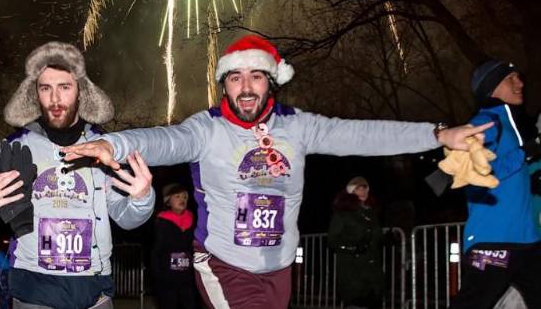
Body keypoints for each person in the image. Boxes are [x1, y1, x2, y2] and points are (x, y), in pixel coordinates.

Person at [61, 35, 492, 309]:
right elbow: (164, 140)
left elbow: (363, 135)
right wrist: (113, 144)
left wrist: (437, 135)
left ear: (271, 82)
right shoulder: (208, 129)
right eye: (235, 79)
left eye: (256, 77)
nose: (245, 88)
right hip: (224, 264)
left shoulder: (297, 126)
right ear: (224, 85)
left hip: (281, 267)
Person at [0, 41, 155, 309]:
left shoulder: (104, 147)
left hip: (95, 295)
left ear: (81, 91)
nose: (55, 99)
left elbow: (127, 218)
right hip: (33, 293)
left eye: (64, 87)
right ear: (34, 94)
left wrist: (143, 197)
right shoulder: (14, 147)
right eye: (45, 88)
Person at [447, 60, 541, 309]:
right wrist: (525, 153)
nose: (520, 83)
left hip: (526, 241)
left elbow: (509, 174)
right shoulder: (484, 122)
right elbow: (474, 173)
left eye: (518, 77)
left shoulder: (510, 125)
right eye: (511, 79)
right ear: (492, 88)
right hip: (494, 241)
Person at [327, 176, 383, 309]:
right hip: (353, 271)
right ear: (351, 191)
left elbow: (374, 238)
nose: (363, 191)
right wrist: (353, 247)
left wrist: (388, 239)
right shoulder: (343, 213)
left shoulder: (371, 213)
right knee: (357, 303)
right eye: (359, 188)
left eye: (365, 188)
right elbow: (332, 241)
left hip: (372, 273)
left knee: (372, 301)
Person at [151, 183, 198, 309]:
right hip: (167, 274)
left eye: (184, 197)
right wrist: (157, 274)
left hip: (188, 275)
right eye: (177, 196)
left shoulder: (193, 219)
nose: (182, 200)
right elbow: (155, 251)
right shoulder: (161, 221)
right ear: (168, 201)